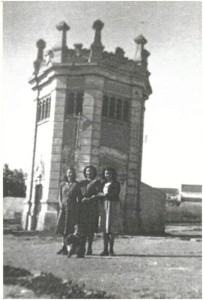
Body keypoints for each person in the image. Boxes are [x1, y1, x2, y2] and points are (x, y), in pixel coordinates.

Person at [55, 167, 83, 257]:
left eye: (72, 173)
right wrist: (60, 203)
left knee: (70, 228)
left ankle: (69, 248)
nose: (70, 174)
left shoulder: (77, 184)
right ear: (66, 174)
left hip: (72, 208)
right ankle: (63, 246)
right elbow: (60, 195)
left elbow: (79, 197)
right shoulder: (62, 184)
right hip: (63, 209)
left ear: (74, 174)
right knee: (63, 228)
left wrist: (78, 208)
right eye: (68, 172)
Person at [99, 167, 121, 256]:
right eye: (106, 173)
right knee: (105, 229)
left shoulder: (116, 184)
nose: (108, 175)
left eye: (110, 173)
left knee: (111, 229)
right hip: (104, 206)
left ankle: (111, 249)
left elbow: (115, 194)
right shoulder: (103, 183)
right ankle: (105, 250)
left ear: (113, 174)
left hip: (113, 206)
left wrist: (104, 194)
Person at [79, 165, 102, 255]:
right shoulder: (82, 183)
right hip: (83, 208)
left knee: (91, 229)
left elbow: (99, 194)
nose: (89, 173)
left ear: (94, 173)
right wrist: (81, 199)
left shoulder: (97, 183)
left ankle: (89, 248)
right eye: (87, 171)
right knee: (83, 229)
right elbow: (79, 193)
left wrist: (90, 199)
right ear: (85, 172)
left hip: (92, 208)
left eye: (91, 171)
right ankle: (82, 247)